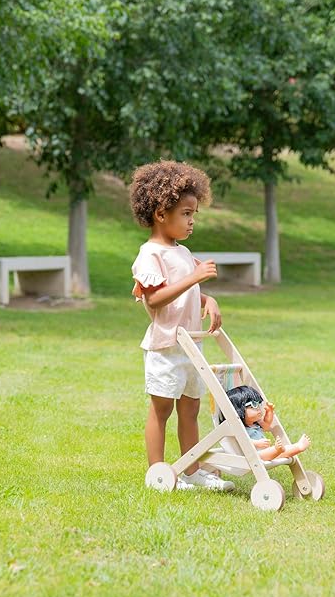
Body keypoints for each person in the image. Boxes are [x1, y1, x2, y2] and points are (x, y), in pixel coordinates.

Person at [130, 159, 234, 491]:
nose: (192, 222)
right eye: (186, 214)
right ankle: (158, 473)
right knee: (162, 409)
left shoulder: (183, 252)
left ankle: (191, 470)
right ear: (161, 214)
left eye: (193, 214)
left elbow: (189, 293)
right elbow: (155, 300)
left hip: (191, 345)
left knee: (190, 410)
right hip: (166, 347)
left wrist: (208, 300)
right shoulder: (150, 255)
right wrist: (194, 277)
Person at [223, 385, 310, 461]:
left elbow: (267, 425)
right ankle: (278, 450)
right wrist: (257, 443)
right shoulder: (238, 428)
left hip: (265, 452)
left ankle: (297, 447)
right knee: (273, 452)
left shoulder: (255, 423)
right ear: (238, 411)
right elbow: (242, 440)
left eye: (258, 404)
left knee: (284, 450)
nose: (257, 408)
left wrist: (269, 412)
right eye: (252, 405)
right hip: (254, 457)